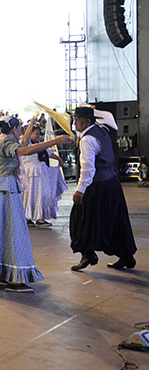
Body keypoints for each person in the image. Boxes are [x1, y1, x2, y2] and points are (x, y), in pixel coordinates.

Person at [0, 116, 70, 293]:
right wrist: (56, 141)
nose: (20, 131)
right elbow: (27, 151)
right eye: (19, 128)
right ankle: (15, 278)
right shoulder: (7, 144)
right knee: (14, 232)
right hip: (7, 190)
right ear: (14, 130)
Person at [69, 106, 137, 271]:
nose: (74, 123)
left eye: (77, 120)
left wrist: (80, 189)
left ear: (87, 122)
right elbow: (106, 118)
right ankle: (127, 256)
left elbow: (88, 168)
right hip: (111, 183)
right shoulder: (102, 130)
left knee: (80, 219)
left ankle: (87, 254)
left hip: (97, 185)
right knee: (115, 219)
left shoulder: (87, 140)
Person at [20, 116, 66, 227]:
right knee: (30, 196)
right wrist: (31, 123)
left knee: (41, 195)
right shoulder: (25, 143)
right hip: (31, 174)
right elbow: (26, 138)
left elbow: (49, 153)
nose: (37, 136)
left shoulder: (39, 145)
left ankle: (39, 217)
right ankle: (28, 217)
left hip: (41, 174)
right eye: (35, 134)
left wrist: (59, 159)